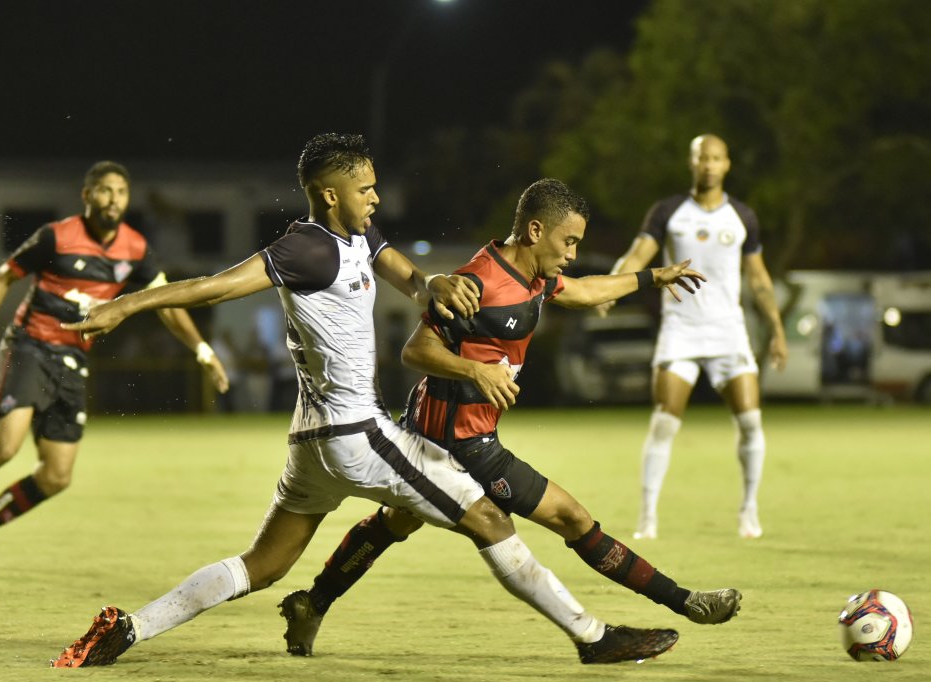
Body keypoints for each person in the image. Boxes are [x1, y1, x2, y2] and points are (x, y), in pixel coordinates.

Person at [51, 134, 681, 668]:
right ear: (329, 195)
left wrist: (431, 284)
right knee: (489, 519)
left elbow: (396, 266)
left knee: (263, 565)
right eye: (365, 189)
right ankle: (592, 638)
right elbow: (216, 288)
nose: (376, 198)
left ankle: (129, 628)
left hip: (313, 441)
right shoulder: (306, 248)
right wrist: (126, 305)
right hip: (355, 433)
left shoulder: (358, 234)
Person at [278, 178, 743, 657]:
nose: (572, 254)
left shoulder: (534, 278)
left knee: (396, 522)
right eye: (569, 242)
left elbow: (584, 291)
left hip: (451, 431)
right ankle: (681, 604)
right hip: (458, 443)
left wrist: (653, 277)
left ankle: (312, 603)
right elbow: (415, 350)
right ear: (535, 231)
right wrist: (475, 370)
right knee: (570, 517)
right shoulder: (478, 283)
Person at [0, 161, 230, 568]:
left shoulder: (135, 248)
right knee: (3, 448)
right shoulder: (56, 237)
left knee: (56, 476)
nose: (113, 199)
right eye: (105, 190)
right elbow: (2, 278)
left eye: (121, 192)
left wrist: (202, 350)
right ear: (87, 195)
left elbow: (166, 304)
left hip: (73, 359)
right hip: (30, 346)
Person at [605, 134, 787, 540]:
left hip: (728, 330)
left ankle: (749, 510)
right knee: (664, 423)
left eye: (716, 158)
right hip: (681, 330)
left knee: (751, 421)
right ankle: (648, 518)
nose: (709, 164)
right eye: (702, 157)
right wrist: (609, 289)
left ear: (727, 164)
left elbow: (759, 278)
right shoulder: (668, 211)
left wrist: (776, 329)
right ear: (692, 162)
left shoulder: (742, 216)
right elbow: (637, 256)